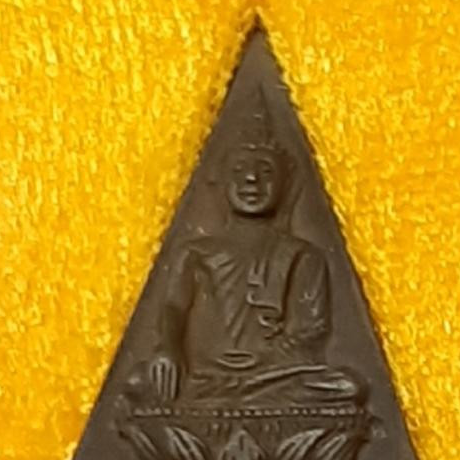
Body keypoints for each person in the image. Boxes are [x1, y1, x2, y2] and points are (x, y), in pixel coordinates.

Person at [144, 92, 362, 409]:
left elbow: (311, 331)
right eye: (239, 169)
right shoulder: (196, 253)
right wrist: (168, 348)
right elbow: (173, 307)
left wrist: (272, 355)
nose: (251, 179)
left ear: (286, 183)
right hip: (203, 376)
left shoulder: (302, 256)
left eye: (266, 171)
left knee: (345, 386)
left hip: (273, 378)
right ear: (220, 179)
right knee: (142, 385)